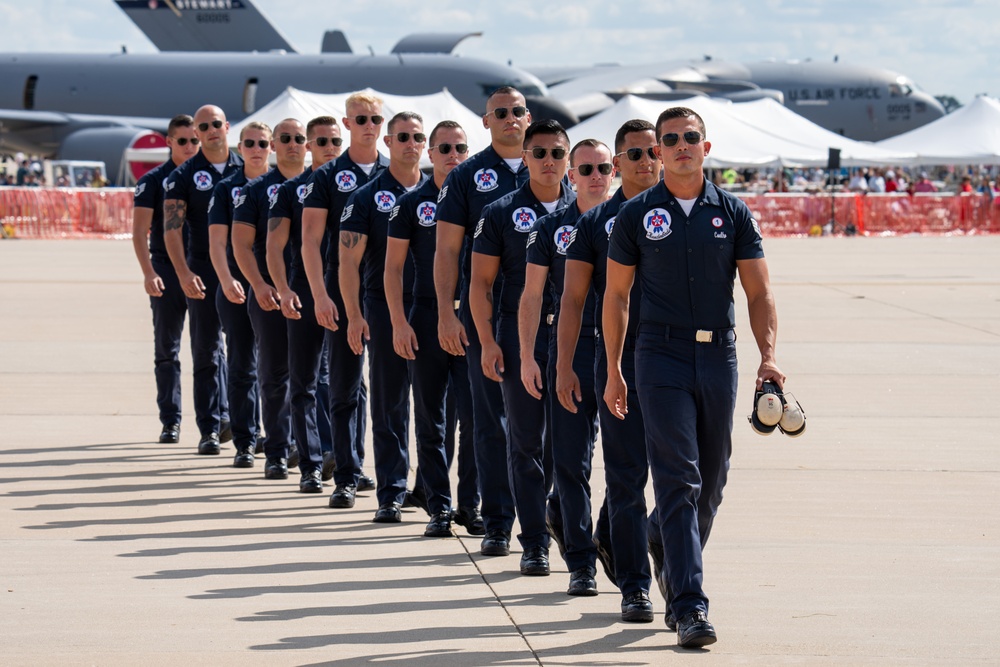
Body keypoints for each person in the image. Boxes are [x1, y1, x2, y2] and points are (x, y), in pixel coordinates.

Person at [604, 106, 785, 648]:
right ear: (656, 151)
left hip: (718, 356)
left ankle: (662, 533)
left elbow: (759, 292)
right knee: (679, 479)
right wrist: (614, 368)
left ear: (707, 148)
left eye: (691, 137)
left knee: (713, 480)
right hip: (658, 358)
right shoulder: (637, 215)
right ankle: (689, 606)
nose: (680, 145)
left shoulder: (733, 213)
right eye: (670, 140)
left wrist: (768, 357)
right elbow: (615, 295)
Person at [559, 119, 661, 622]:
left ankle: (626, 536)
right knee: (625, 477)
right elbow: (574, 300)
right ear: (618, 163)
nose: (646, 161)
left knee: (687, 475)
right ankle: (634, 585)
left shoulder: (680, 213)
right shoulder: (595, 223)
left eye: (652, 152)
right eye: (635, 154)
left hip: (675, 360)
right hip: (616, 359)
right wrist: (564, 365)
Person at [470, 119, 576, 576]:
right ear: (526, 159)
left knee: (570, 446)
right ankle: (533, 540)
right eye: (540, 153)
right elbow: (479, 282)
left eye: (557, 153)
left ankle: (565, 528)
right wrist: (489, 341)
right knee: (525, 441)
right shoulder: (500, 212)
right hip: (520, 336)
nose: (549, 161)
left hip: (578, 337)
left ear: (568, 157)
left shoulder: (587, 206)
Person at [434, 86, 531, 557]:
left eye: (517, 112)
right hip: (485, 319)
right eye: (501, 113)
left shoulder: (551, 166)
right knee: (488, 422)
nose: (511, 119)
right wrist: (447, 313)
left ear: (528, 118)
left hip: (547, 320)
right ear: (485, 121)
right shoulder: (467, 177)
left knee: (544, 425)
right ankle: (497, 521)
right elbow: (448, 251)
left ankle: (542, 518)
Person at [521, 138, 614, 594]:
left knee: (625, 464)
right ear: (570, 175)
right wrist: (529, 356)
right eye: (586, 168)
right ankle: (581, 561)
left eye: (603, 167)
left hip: (621, 350)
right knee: (572, 462)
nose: (596, 175)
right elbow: (532, 296)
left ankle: (604, 534)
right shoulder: (550, 227)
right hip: (570, 349)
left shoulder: (630, 222)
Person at [385, 120, 481, 537]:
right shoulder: (410, 204)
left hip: (474, 318)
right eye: (444, 148)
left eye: (460, 147)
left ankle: (471, 505)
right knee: (430, 418)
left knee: (476, 419)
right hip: (424, 316)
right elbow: (391, 270)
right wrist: (399, 322)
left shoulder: (482, 199)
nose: (453, 155)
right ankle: (438, 506)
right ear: (431, 153)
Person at [339, 111, 428, 523]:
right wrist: (354, 316)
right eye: (404, 137)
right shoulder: (365, 197)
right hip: (381, 306)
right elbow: (347, 263)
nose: (412, 144)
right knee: (390, 402)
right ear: (388, 143)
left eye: (418, 137)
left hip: (430, 307)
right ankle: (391, 491)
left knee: (435, 407)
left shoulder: (441, 195)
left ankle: (429, 489)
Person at [302, 92, 387, 508]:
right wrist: (320, 295)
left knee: (389, 392)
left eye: (375, 118)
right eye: (361, 118)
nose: (369, 125)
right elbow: (310, 240)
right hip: (343, 293)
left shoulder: (399, 170)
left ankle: (383, 472)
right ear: (347, 122)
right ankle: (346, 475)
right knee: (343, 386)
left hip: (393, 297)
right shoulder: (328, 176)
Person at [266, 116, 343, 485]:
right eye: (322, 141)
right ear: (310, 146)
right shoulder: (291, 190)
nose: (330, 147)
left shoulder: (357, 184)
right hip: (303, 290)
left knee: (348, 384)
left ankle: (346, 461)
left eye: (335, 141)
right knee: (304, 380)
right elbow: (274, 246)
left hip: (347, 291)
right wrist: (283, 290)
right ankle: (311, 464)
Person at [233, 118, 309, 487]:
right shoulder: (256, 190)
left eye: (299, 139)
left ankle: (312, 449)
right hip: (269, 296)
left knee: (314, 378)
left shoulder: (319, 185)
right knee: (274, 375)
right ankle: (277, 451)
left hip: (313, 296)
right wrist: (260, 285)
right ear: (273, 146)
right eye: (285, 139)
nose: (292, 145)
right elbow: (242, 245)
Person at [163, 104, 241, 455]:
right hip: (203, 272)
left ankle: (247, 429)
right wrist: (183, 273)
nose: (210, 131)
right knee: (207, 351)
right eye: (203, 127)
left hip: (245, 271)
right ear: (196, 131)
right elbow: (172, 231)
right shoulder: (184, 176)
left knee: (247, 355)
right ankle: (210, 428)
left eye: (215, 125)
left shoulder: (248, 165)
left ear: (227, 126)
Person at [131, 114, 200, 444]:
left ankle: (220, 419)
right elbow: (138, 232)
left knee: (213, 350)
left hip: (203, 268)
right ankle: (170, 419)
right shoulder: (153, 181)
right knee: (167, 350)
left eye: (194, 141)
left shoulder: (208, 177)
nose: (189, 147)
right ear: (169, 142)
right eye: (182, 141)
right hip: (166, 271)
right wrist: (148, 273)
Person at [207, 121, 271, 468]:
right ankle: (245, 440)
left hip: (274, 285)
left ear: (271, 147)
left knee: (276, 368)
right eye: (250, 143)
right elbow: (217, 241)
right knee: (241, 365)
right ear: (240, 146)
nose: (257, 149)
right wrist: (226, 278)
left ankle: (277, 438)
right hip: (236, 286)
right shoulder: (226, 188)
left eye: (263, 143)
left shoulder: (284, 187)